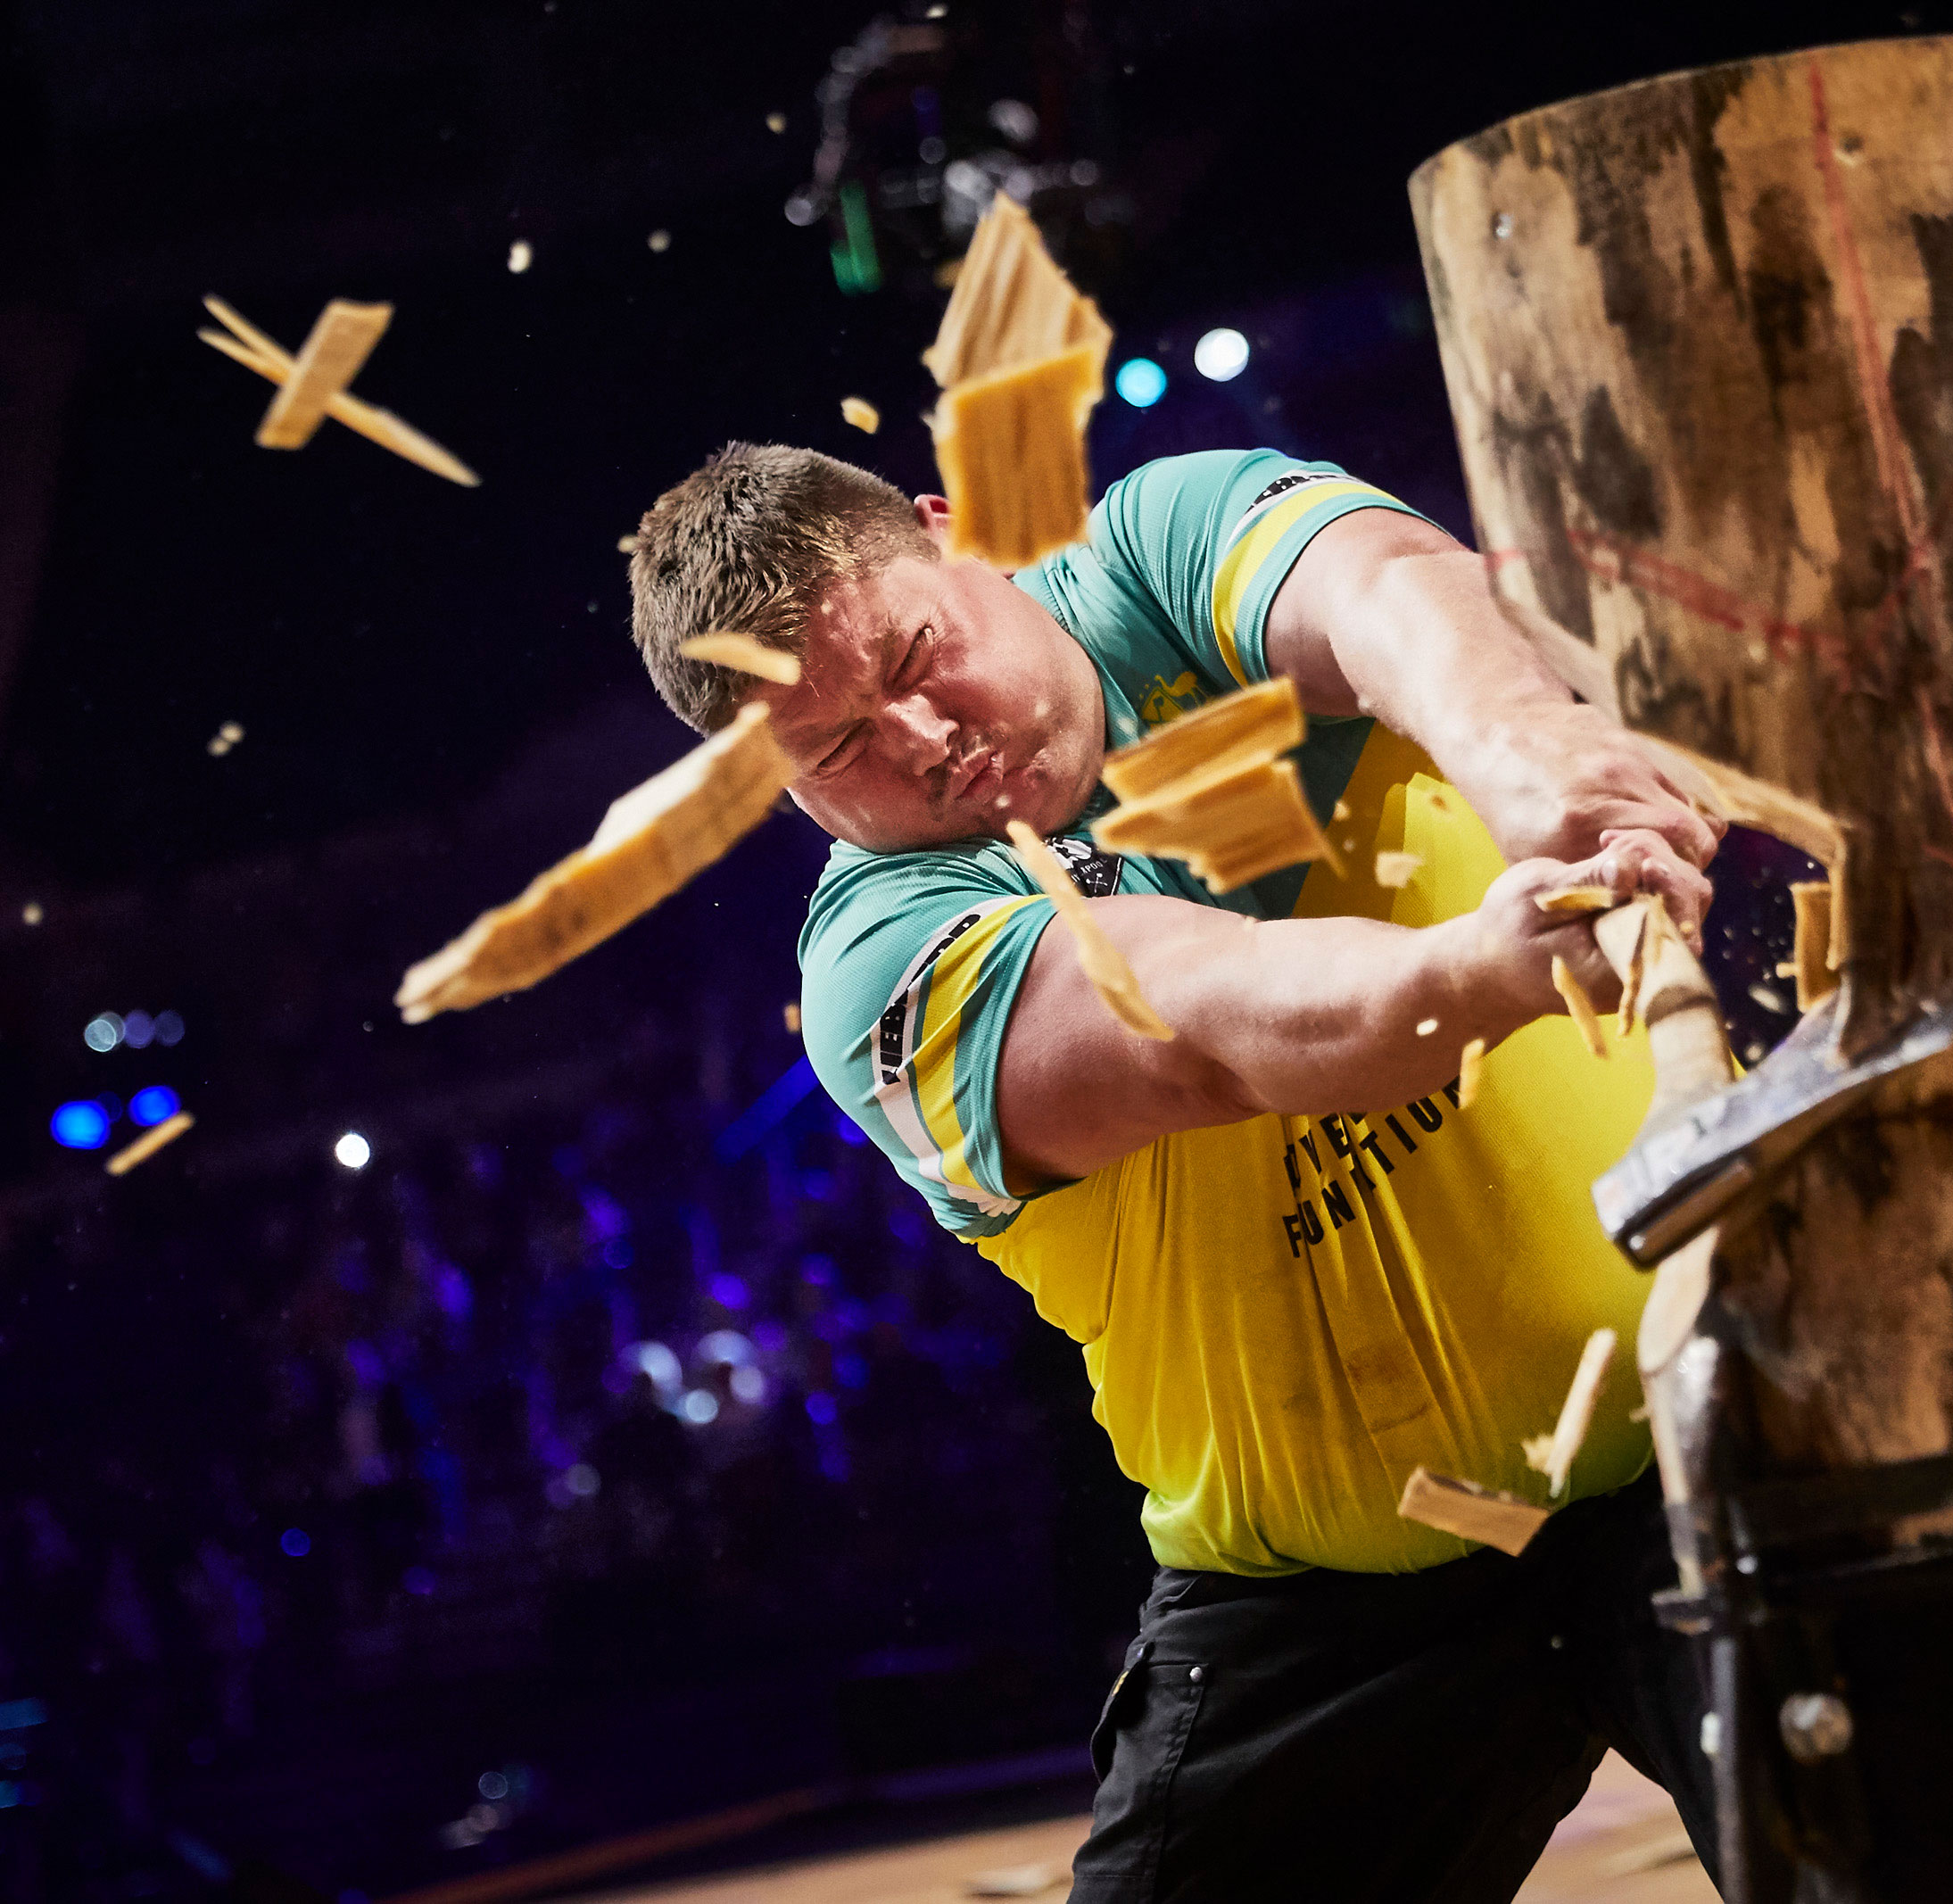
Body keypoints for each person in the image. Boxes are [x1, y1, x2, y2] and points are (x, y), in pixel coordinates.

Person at [627, 442, 1725, 1900]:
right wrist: (1482, 965)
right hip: (1328, 1597)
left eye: (915, 653)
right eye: (835, 749)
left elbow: (1392, 590)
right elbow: (1195, 1029)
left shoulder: (1161, 543)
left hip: (1707, 1441)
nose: (922, 738)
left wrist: (1532, 757)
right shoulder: (875, 968)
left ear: (958, 536)